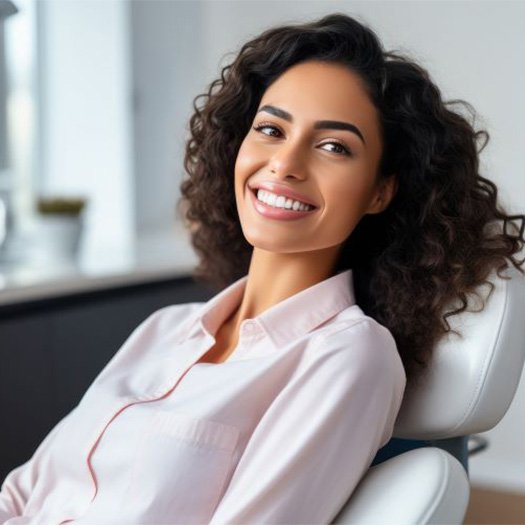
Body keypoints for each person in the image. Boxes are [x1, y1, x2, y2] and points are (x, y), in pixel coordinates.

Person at [1, 12, 524, 525]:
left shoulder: (347, 356)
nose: (286, 163)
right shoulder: (164, 330)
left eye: (333, 146)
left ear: (380, 191)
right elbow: (24, 490)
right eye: (271, 129)